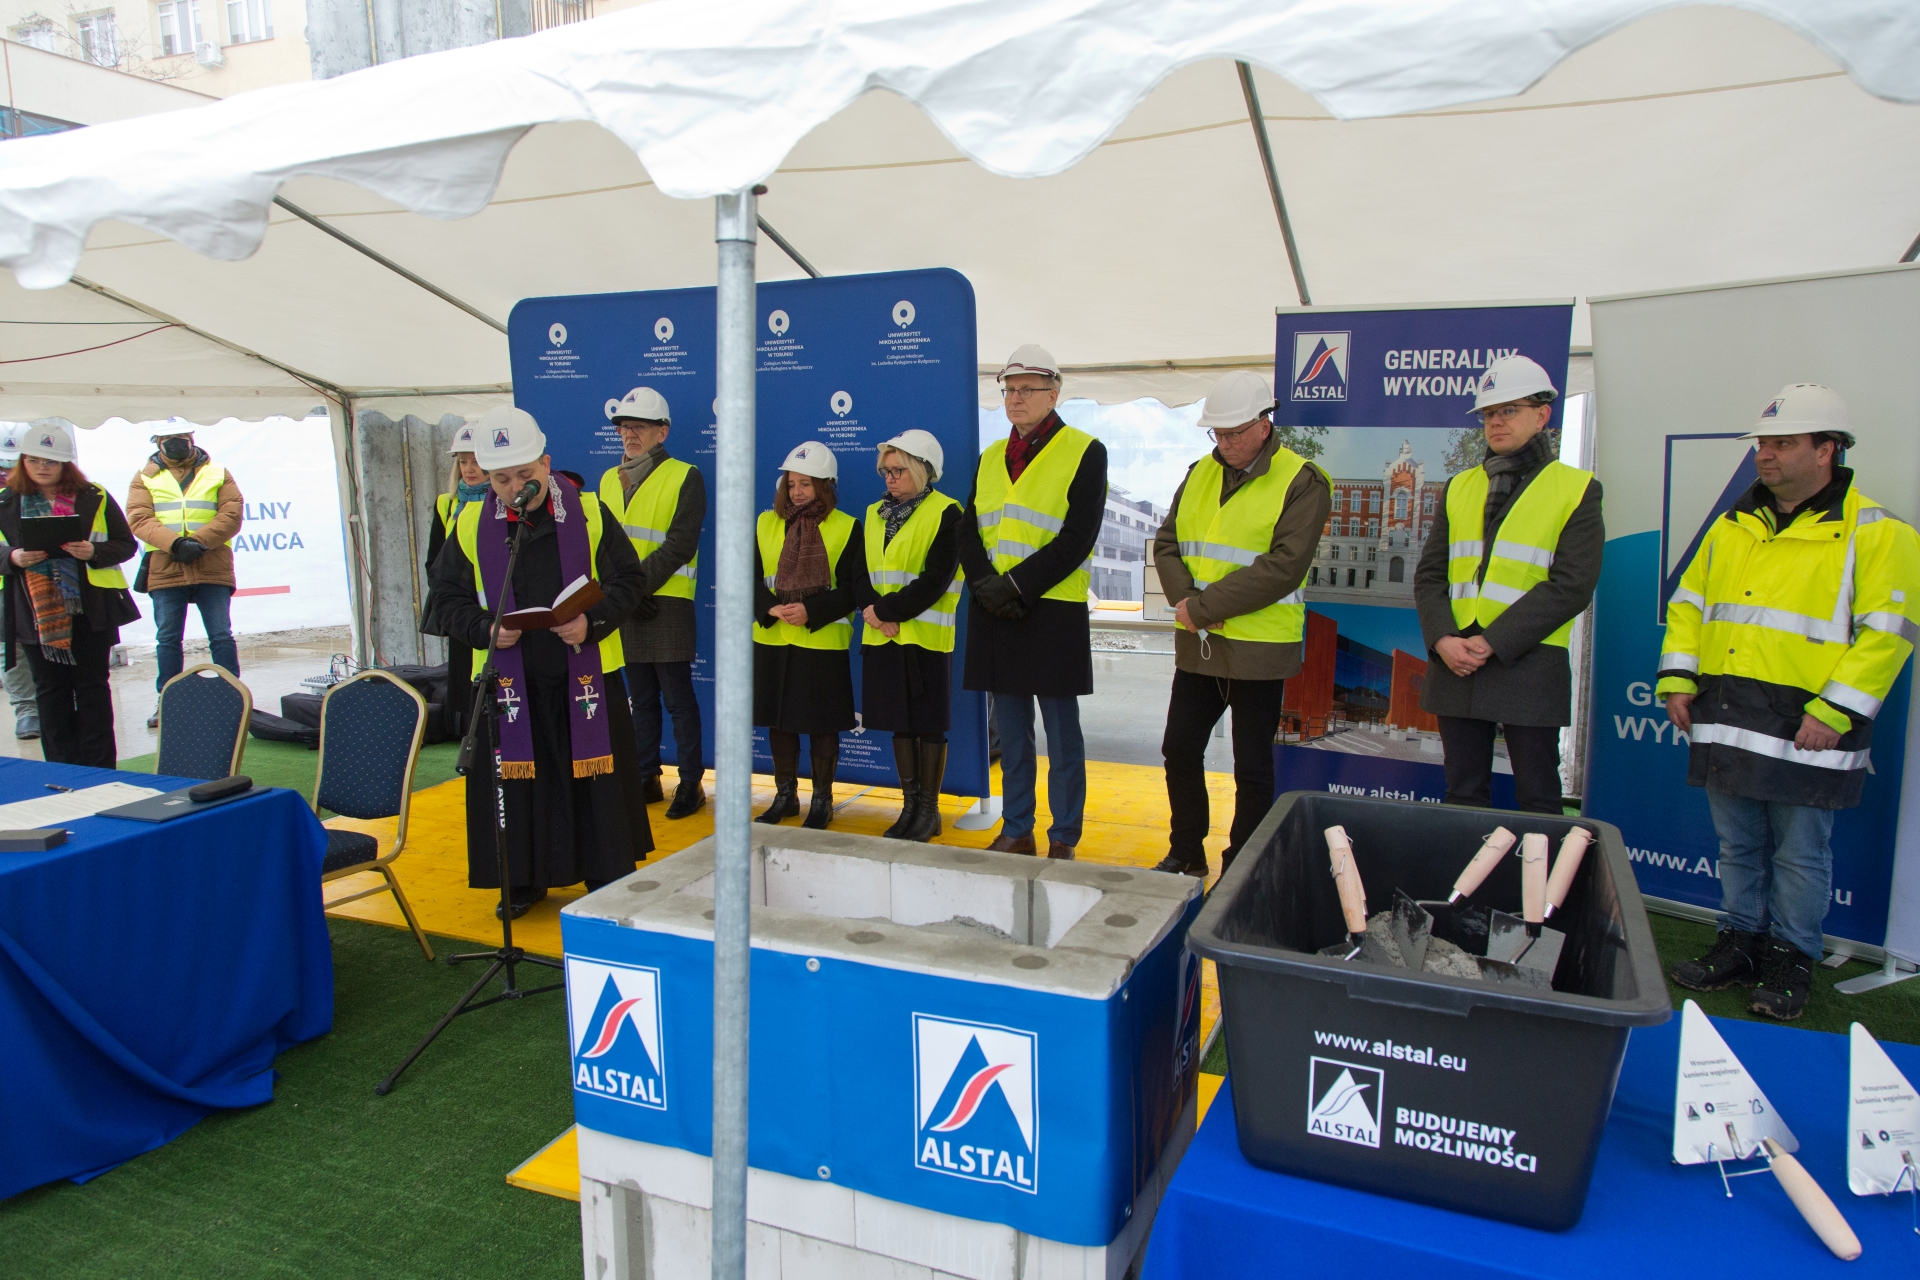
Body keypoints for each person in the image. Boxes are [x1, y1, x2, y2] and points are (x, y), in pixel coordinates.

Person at [1660, 385, 1920, 1021]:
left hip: (1810, 721)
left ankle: (1792, 955)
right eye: (1763, 444)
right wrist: (1678, 677)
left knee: (1800, 853)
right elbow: (1688, 605)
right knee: (1737, 845)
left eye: (1783, 443)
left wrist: (1834, 712)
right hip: (1728, 712)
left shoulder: (1879, 532)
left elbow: (1887, 636)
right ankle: (1739, 941)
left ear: (1827, 450)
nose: (1765, 455)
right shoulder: (1733, 525)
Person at [429, 406, 653, 919]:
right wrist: (484, 629)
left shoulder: (590, 512)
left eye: (525, 475)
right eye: (502, 479)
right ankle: (523, 880)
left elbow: (629, 581)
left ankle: (603, 874)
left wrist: (591, 622)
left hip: (584, 678)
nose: (515, 488)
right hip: (509, 684)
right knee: (518, 790)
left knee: (592, 787)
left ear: (546, 465)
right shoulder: (470, 523)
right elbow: (445, 597)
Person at [1150, 371, 1331, 878]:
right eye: (1218, 434)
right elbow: (1167, 543)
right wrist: (1186, 602)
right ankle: (1186, 853)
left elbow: (1284, 566)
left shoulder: (1303, 481)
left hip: (1258, 649)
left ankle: (1241, 869)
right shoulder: (1199, 474)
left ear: (1264, 424)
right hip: (1200, 644)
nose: (1225, 444)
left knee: (1251, 767)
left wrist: (1203, 607)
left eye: (1234, 433)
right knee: (1179, 749)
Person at [1412, 354, 1602, 814]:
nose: (1495, 422)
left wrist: (1492, 642)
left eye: (1509, 410)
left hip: (1528, 662)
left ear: (1542, 415)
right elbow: (1430, 575)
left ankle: (1539, 871)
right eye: (1488, 413)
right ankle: (1467, 869)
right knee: (1462, 796)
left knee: (1538, 798)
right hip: (1457, 661)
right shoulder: (1459, 486)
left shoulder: (1577, 488)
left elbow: (1572, 585)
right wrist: (1442, 639)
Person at [959, 345, 1107, 860]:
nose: (1015, 398)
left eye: (1027, 389)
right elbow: (969, 530)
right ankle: (1017, 828)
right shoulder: (990, 458)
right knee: (1013, 734)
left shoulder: (1085, 451)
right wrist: (986, 585)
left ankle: (1063, 836)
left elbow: (1077, 538)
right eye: (1009, 389)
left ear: (1054, 394)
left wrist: (1016, 586)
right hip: (995, 610)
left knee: (1062, 735)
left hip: (1051, 611)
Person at [0, 420, 139, 768]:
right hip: (35, 615)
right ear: (22, 462)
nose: (42, 467)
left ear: (65, 463)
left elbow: (125, 543)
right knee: (51, 693)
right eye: (34, 460)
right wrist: (12, 557)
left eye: (50, 461)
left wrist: (93, 551)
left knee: (93, 690)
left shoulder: (94, 495)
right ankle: (63, 770)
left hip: (91, 611)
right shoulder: (5, 501)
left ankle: (101, 770)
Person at [597, 387, 708, 820]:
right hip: (627, 604)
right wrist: (626, 594)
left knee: (678, 701)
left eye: (639, 427)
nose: (629, 434)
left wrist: (634, 589)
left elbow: (680, 544)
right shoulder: (608, 479)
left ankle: (691, 784)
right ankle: (645, 776)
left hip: (667, 603)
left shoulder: (685, 475)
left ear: (662, 432)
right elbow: (601, 544)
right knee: (640, 701)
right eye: (624, 427)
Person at [853, 430, 962, 842]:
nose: (890, 478)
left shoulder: (947, 512)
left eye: (898, 470)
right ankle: (910, 807)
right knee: (900, 724)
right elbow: (859, 572)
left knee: (928, 725)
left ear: (923, 470)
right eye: (886, 471)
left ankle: (929, 812)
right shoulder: (873, 513)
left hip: (925, 641)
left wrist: (885, 611)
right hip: (883, 637)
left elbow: (936, 579)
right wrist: (874, 612)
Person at [754, 441, 864, 830]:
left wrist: (810, 611)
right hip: (773, 639)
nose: (797, 491)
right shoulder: (765, 523)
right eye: (792, 483)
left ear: (825, 486)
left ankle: (822, 801)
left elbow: (852, 590)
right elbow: (748, 575)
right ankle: (785, 797)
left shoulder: (847, 526)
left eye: (806, 484)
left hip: (821, 641)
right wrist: (769, 607)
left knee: (822, 725)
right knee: (779, 722)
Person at [126, 426, 243, 730]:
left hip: (211, 563)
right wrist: (176, 544)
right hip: (166, 566)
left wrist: (198, 542)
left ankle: (232, 697)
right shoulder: (144, 477)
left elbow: (231, 515)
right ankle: (168, 701)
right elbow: (139, 518)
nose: (176, 444)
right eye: (169, 440)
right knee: (168, 638)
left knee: (220, 634)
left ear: (192, 440)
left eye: (181, 439)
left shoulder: (218, 472)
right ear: (158, 442)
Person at [422, 422, 487, 740]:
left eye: (475, 461)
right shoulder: (445, 503)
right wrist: (451, 599)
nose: (469, 469)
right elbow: (433, 560)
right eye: (462, 461)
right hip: (462, 611)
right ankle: (470, 739)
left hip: (491, 607)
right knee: (464, 678)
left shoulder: (504, 503)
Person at [0, 426, 40, 741]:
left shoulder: (46, 494)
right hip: (5, 584)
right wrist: (11, 556)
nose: (5, 472)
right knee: (11, 648)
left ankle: (63, 701)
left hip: (46, 582)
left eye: (11, 465)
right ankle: (27, 711)